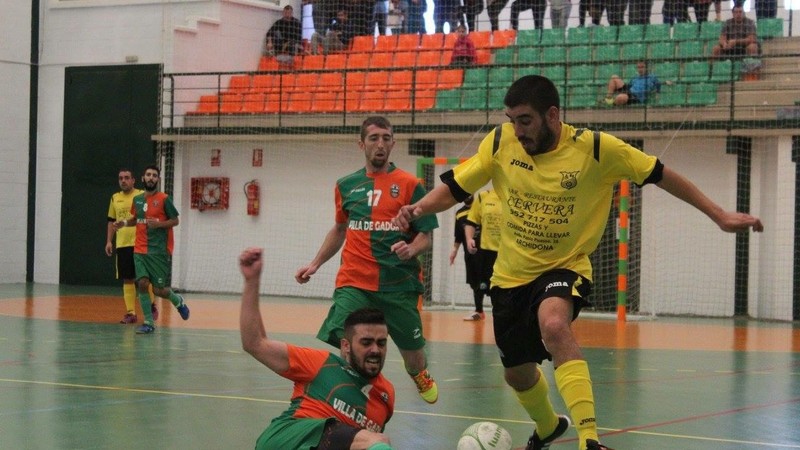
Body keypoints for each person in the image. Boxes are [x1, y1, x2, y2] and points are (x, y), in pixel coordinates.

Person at [393, 75, 763, 450]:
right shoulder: (501, 142)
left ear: (552, 115)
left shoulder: (597, 149)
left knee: (554, 325)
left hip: (565, 266)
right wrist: (417, 208)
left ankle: (589, 439)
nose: (517, 130)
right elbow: (456, 188)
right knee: (518, 375)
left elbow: (661, 174)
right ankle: (548, 426)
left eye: (525, 120)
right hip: (510, 276)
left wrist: (719, 215)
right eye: (512, 120)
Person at [295, 116, 440, 404]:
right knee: (347, 341)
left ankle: (419, 373)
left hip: (398, 285)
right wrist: (315, 263)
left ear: (393, 143)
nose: (380, 144)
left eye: (386, 138)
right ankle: (351, 391)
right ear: (362, 144)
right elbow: (340, 229)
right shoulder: (346, 185)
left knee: (414, 356)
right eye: (374, 138)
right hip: (355, 282)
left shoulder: (410, 185)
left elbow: (426, 236)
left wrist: (411, 249)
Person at [240, 247, 395, 450]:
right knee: (376, 442)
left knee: (375, 441)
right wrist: (251, 281)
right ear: (346, 346)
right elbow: (255, 344)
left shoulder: (386, 395)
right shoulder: (322, 363)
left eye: (381, 343)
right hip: (288, 439)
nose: (375, 350)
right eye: (366, 343)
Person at [113, 165, 190, 335]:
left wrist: (159, 224)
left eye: (154, 175)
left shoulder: (164, 199)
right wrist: (123, 223)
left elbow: (175, 221)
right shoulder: (137, 200)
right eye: (148, 175)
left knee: (158, 290)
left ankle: (177, 301)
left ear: (158, 180)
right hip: (139, 249)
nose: (151, 178)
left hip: (158, 251)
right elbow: (135, 219)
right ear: (143, 178)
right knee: (141, 283)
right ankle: (148, 322)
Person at [105, 168, 157, 324]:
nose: (123, 180)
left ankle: (151, 306)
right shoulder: (115, 198)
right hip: (122, 244)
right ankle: (131, 313)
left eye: (127, 177)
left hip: (141, 243)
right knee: (127, 279)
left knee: (144, 278)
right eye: (121, 178)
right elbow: (111, 220)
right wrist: (109, 241)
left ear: (133, 180)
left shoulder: (141, 196)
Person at [463, 189, 502, 321]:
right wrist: (469, 239)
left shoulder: (516, 195)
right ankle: (479, 310)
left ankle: (502, 316)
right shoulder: (483, 197)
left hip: (507, 253)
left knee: (502, 289)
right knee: (480, 284)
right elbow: (471, 222)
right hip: (486, 252)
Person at [449, 195, 485, 320]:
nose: (467, 195)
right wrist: (454, 251)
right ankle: (479, 311)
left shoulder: (482, 208)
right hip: (470, 254)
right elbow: (458, 236)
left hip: (485, 253)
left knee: (487, 282)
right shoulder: (459, 213)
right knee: (474, 282)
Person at [603, 61, 669, 107]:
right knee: (614, 77)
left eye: (642, 67)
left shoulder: (652, 77)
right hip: (630, 90)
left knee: (621, 97)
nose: (640, 69)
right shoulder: (635, 77)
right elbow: (629, 86)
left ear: (647, 68)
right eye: (638, 67)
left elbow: (658, 84)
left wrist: (666, 82)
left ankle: (611, 104)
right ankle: (608, 99)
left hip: (636, 97)